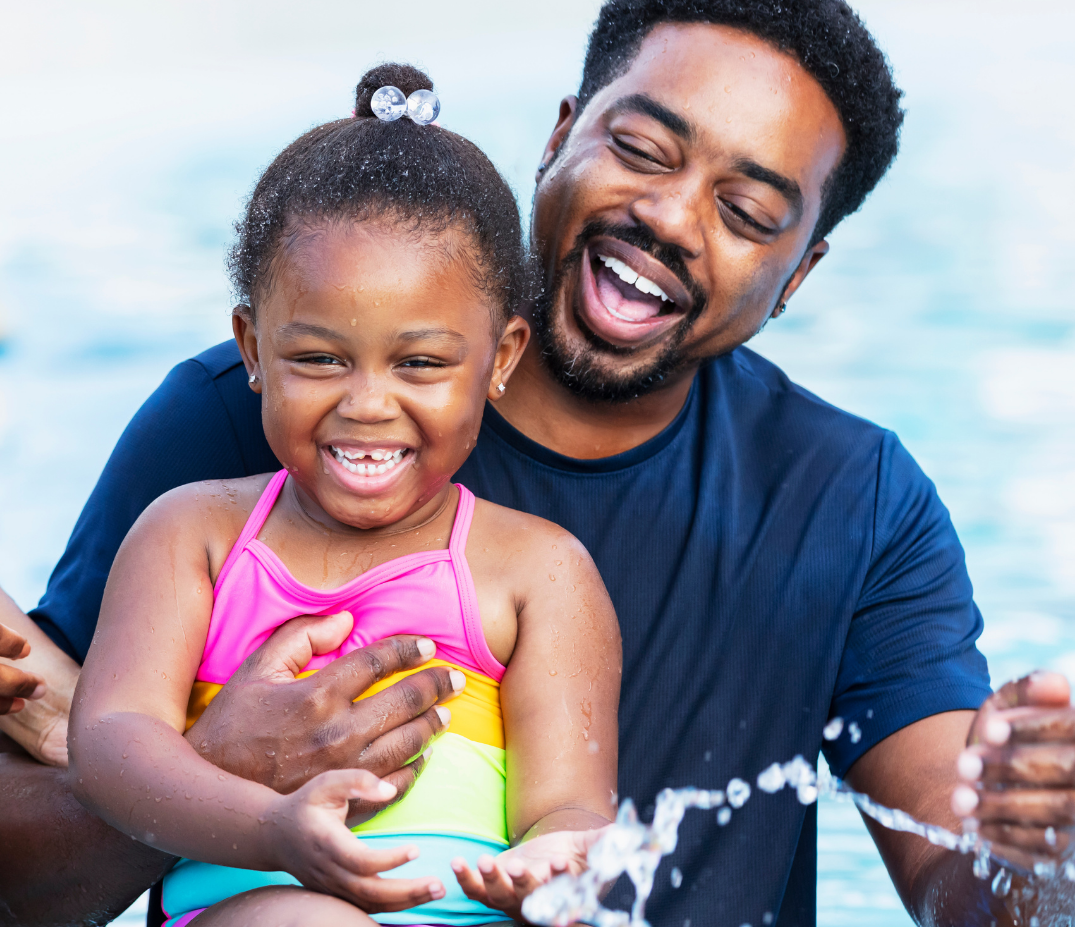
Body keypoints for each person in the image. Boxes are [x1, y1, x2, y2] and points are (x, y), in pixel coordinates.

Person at [3, 1, 1073, 925]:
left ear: (799, 271)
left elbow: (968, 888)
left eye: (746, 211)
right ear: (560, 135)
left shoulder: (852, 503)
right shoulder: (253, 421)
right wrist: (220, 774)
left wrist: (1050, 846)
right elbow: (22, 879)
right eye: (643, 150)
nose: (666, 215)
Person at [67, 64, 621, 927]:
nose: (367, 403)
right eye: (321, 358)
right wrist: (271, 828)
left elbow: (570, 804)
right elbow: (110, 748)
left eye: (421, 363)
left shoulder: (537, 573)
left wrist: (558, 859)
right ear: (251, 346)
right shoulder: (193, 537)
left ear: (502, 358)